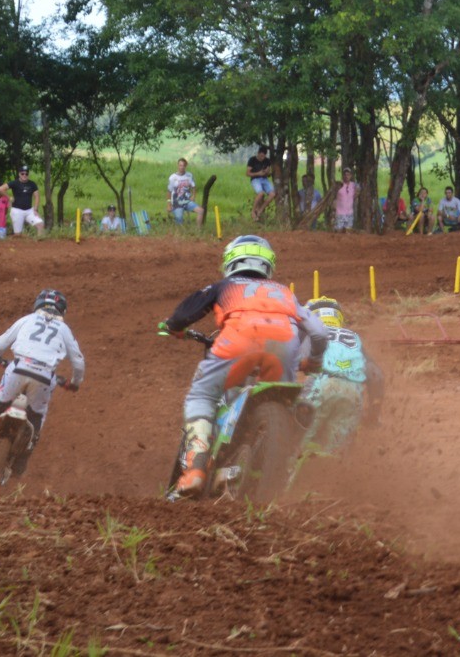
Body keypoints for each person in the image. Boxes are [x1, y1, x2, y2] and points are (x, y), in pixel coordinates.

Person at [157, 235, 328, 500]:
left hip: (239, 339)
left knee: (201, 395)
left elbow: (183, 315)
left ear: (230, 261)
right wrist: (314, 360)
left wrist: (174, 327)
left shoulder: (224, 286)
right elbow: (318, 333)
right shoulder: (285, 293)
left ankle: (195, 469)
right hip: (284, 345)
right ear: (268, 265)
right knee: (283, 398)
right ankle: (285, 468)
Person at [0, 289, 84, 476]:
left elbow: (2, 342)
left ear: (38, 304)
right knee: (37, 416)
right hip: (45, 376)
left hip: (19, 368)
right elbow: (78, 361)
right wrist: (75, 382)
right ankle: (21, 461)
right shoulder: (64, 330)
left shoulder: (27, 319)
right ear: (62, 310)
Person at [298, 298, 385, 456]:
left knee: (294, 442)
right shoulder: (353, 338)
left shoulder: (312, 335)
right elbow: (376, 376)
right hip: (353, 392)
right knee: (336, 454)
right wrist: (374, 414)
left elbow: (292, 363)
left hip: (319, 385)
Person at [167, 158, 207, 228]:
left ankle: (198, 230)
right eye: (180, 165)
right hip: (177, 202)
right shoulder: (172, 177)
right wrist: (169, 204)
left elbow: (193, 186)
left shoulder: (189, 175)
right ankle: (179, 233)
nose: (181, 167)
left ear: (186, 166)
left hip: (186, 200)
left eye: (183, 165)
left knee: (201, 211)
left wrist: (193, 196)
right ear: (178, 166)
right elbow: (169, 192)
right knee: (179, 218)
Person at [7, 165, 46, 235]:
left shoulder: (32, 184)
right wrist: (8, 197)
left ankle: (40, 242)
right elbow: (1, 189)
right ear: (19, 174)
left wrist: (35, 209)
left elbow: (37, 196)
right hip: (17, 210)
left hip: (29, 210)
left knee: (40, 224)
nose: (24, 175)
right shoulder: (14, 183)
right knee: (18, 234)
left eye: (26, 174)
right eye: (22, 173)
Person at [247, 145, 275, 220]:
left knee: (272, 194)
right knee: (260, 193)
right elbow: (248, 173)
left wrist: (266, 172)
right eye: (261, 156)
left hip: (264, 179)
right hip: (255, 179)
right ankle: (253, 211)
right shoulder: (252, 160)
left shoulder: (267, 161)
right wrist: (258, 173)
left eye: (264, 156)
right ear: (258, 153)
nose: (262, 158)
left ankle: (261, 209)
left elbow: (268, 172)